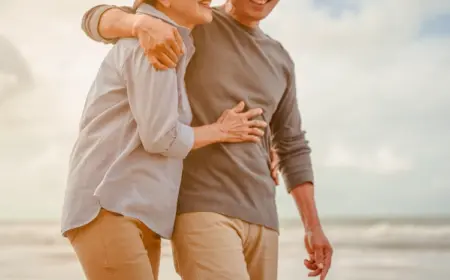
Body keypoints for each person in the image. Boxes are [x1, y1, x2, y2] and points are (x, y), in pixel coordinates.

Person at [81, 0, 334, 279]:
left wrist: (312, 226)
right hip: (200, 206)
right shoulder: (193, 23)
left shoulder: (280, 59)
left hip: (263, 214)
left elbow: (292, 144)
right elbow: (94, 20)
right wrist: (140, 23)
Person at [61, 1, 269, 280]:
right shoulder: (154, 44)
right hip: (109, 204)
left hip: (136, 209)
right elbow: (162, 138)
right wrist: (222, 131)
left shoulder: (177, 39)